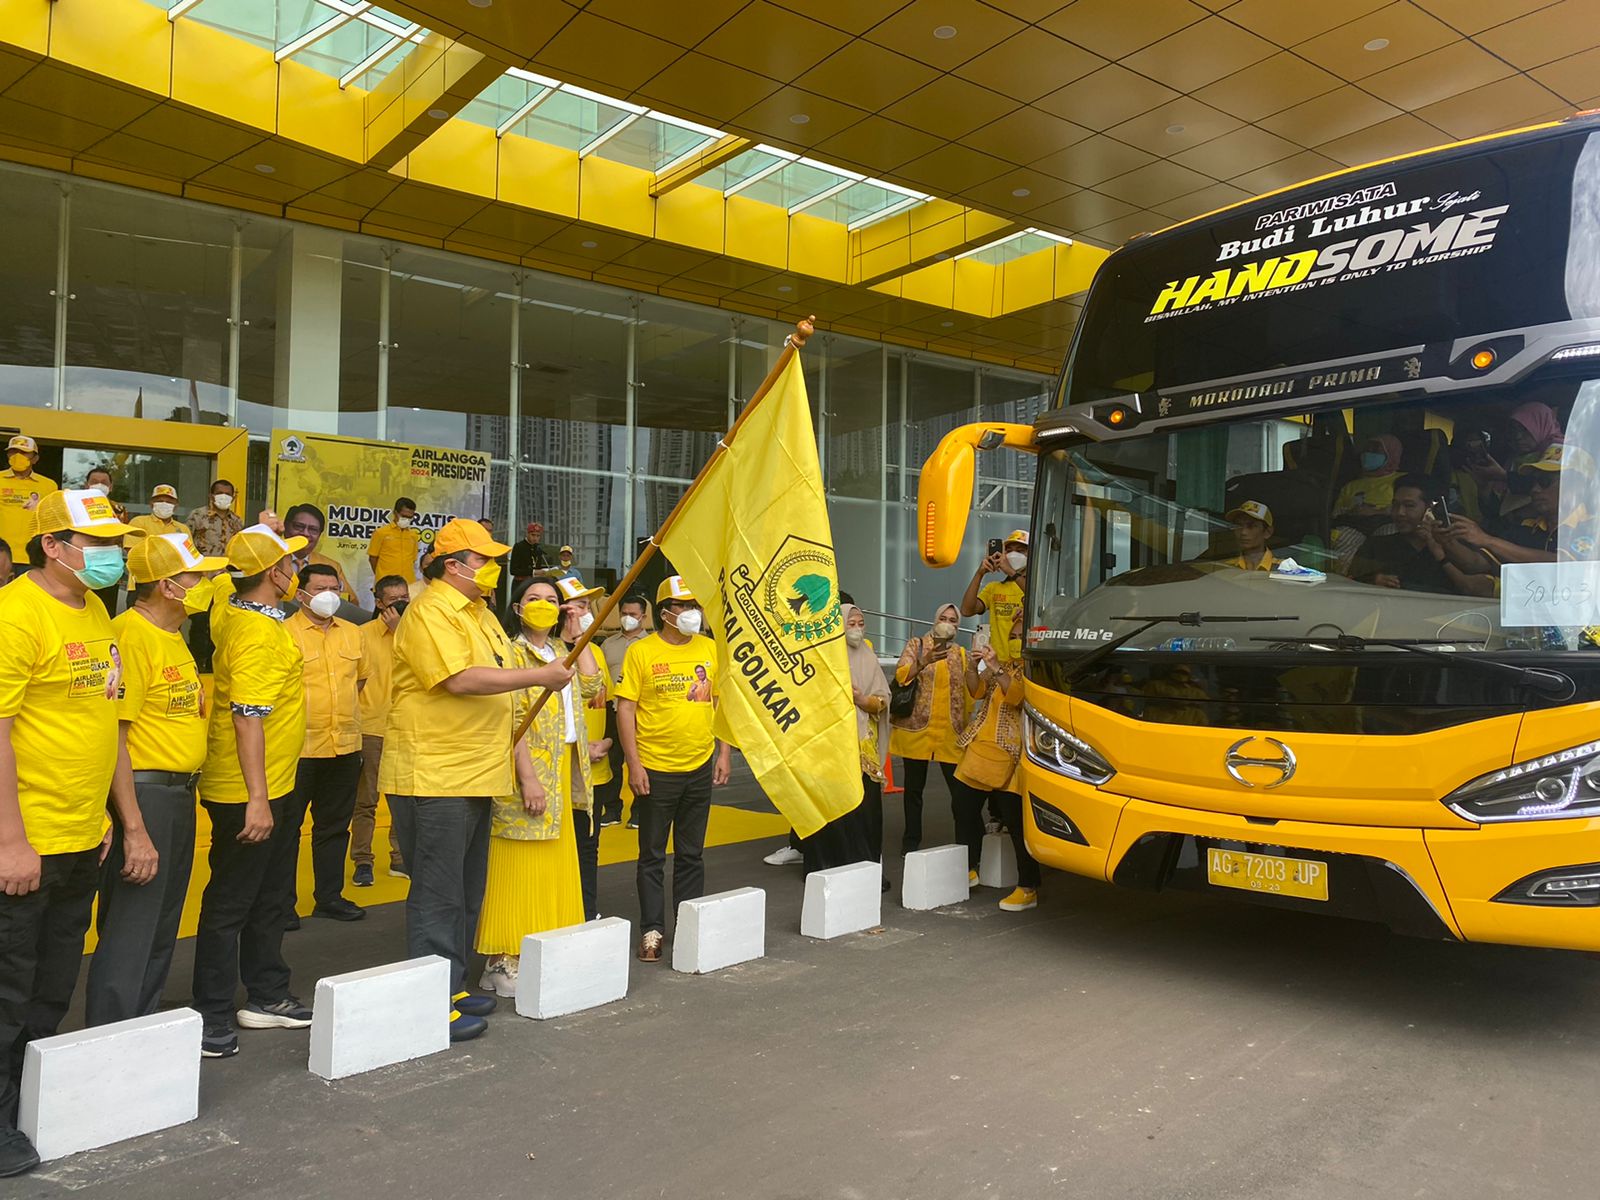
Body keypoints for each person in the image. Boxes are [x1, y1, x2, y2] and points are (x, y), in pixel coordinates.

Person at [0, 488, 147, 1179]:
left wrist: (117, 821)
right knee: (6, 990)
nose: (112, 555)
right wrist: (9, 840)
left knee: (52, 986)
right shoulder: (14, 614)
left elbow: (106, 726)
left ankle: (28, 1107)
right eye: (98, 544)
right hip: (23, 842)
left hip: (81, 838)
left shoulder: (93, 609)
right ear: (54, 546)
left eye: (115, 543)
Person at [380, 518, 571, 1042]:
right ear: (453, 564)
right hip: (434, 772)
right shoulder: (430, 612)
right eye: (483, 560)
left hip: (478, 771)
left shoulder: (482, 614)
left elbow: (502, 686)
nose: (492, 569)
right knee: (437, 893)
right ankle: (430, 998)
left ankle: (454, 984)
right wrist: (540, 676)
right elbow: (460, 679)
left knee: (466, 890)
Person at [85, 531, 225, 1027]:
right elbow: (114, 739)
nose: (207, 583)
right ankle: (112, 1035)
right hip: (143, 797)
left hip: (176, 794)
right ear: (169, 586)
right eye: (198, 576)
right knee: (133, 927)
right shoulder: (131, 636)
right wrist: (135, 828)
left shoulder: (173, 636)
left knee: (162, 923)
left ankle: (142, 1028)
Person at [192, 519, 315, 1060]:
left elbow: (222, 577)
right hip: (249, 790)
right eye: (289, 563)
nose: (296, 570)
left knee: (268, 896)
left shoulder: (234, 604)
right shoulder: (258, 632)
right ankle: (212, 1012)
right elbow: (248, 717)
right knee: (233, 902)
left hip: (272, 782)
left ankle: (266, 993)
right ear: (273, 572)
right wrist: (259, 800)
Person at [475, 579, 595, 997]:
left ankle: (546, 945)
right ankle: (502, 958)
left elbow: (595, 690)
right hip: (526, 772)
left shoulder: (563, 653)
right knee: (518, 862)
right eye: (533, 599)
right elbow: (510, 718)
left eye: (551, 600)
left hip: (561, 772)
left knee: (554, 864)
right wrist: (527, 777)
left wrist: (580, 635)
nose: (542, 605)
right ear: (517, 606)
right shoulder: (509, 652)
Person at [616, 575, 732, 963]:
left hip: (699, 765)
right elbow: (626, 708)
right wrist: (634, 764)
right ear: (664, 611)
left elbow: (720, 703)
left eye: (695, 605)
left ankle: (688, 925)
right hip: (655, 768)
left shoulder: (711, 648)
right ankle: (652, 930)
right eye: (683, 606)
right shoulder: (642, 652)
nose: (692, 613)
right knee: (651, 855)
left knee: (691, 853)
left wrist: (724, 753)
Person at [283, 563, 369, 924]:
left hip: (344, 746)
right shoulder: (284, 632)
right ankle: (281, 905)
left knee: (334, 827)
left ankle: (330, 897)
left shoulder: (353, 633)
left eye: (334, 588)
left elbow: (359, 682)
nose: (328, 595)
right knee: (286, 831)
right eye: (319, 589)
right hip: (297, 749)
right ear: (300, 594)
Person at [952, 608, 1039, 911]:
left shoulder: (1037, 669)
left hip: (1013, 754)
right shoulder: (1001, 663)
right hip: (979, 748)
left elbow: (1018, 697)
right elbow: (975, 691)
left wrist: (998, 669)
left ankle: (1028, 887)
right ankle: (969, 867)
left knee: (1016, 823)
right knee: (962, 806)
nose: (1014, 638)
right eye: (1013, 633)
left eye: (1019, 635)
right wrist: (972, 666)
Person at [802, 604, 889, 876]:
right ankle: (828, 869)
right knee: (833, 809)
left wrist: (862, 699)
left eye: (860, 623)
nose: (857, 629)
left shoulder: (869, 656)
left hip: (863, 749)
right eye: (851, 623)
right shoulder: (824, 658)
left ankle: (865, 870)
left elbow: (883, 700)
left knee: (866, 812)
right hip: (830, 749)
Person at [889, 603, 970, 854]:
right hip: (917, 731)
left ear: (957, 626)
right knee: (914, 790)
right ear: (935, 620)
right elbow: (901, 675)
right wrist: (922, 662)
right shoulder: (917, 644)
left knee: (959, 792)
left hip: (950, 733)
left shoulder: (961, 653)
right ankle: (910, 841)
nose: (948, 623)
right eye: (943, 618)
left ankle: (965, 843)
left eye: (953, 620)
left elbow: (969, 692)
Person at [352, 575, 409, 886]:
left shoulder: (415, 633)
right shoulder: (362, 635)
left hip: (406, 725)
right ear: (379, 603)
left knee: (403, 800)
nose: (400, 605)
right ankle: (362, 859)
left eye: (405, 599)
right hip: (372, 725)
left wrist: (401, 629)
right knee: (367, 800)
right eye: (394, 601)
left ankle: (400, 857)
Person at [1352, 476, 1494, 596]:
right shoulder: (1377, 546)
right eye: (1395, 505)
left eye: (1409, 506)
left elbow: (1474, 588)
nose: (1400, 513)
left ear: (1430, 509)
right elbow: (1350, 585)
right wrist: (1372, 582)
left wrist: (1439, 550)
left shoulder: (1455, 549)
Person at [602, 593, 650, 828]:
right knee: (612, 761)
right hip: (612, 710)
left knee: (641, 761)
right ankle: (612, 810)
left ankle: (640, 812)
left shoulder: (650, 645)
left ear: (643, 616)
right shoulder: (608, 644)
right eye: (624, 614)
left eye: (633, 614)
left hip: (641, 712)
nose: (628, 618)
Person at [185, 480, 242, 672]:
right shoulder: (197, 516)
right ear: (211, 495)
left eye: (228, 493)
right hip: (202, 579)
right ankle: (196, 666)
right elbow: (187, 545)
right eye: (219, 493)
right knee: (200, 624)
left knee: (221, 625)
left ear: (233, 497)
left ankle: (213, 667)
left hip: (227, 582)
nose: (223, 496)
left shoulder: (237, 521)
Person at [960, 530, 1028, 664]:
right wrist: (980, 573)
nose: (1013, 554)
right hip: (998, 664)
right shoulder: (993, 588)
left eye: (1020, 551)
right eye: (1008, 550)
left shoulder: (1037, 587)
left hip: (1027, 665)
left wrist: (1010, 571)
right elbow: (966, 610)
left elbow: (1036, 599)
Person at [0, 435, 57, 579]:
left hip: (32, 557)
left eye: (24, 452)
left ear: (35, 458)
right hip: (1, 556)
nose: (17, 456)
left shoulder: (49, 486)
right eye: (13, 452)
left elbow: (52, 522)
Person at [284, 503, 355, 603]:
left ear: (319, 535)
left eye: (313, 530)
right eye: (299, 526)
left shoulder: (332, 566)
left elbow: (351, 601)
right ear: (285, 526)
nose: (305, 533)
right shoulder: (270, 560)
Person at [367, 497, 421, 588]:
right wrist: (381, 576)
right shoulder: (381, 532)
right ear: (395, 513)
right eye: (403, 516)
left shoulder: (414, 535)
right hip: (385, 584)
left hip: (408, 584)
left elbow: (412, 560)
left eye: (410, 517)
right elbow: (373, 558)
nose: (407, 519)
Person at [1223, 501, 1275, 571]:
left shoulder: (1285, 570)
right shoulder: (1225, 568)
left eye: (1251, 526)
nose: (1243, 532)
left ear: (1267, 532)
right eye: (1239, 526)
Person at [508, 521, 558, 590]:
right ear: (527, 534)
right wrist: (533, 572)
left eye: (538, 536)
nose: (535, 538)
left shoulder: (538, 548)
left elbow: (537, 566)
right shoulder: (519, 546)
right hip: (520, 584)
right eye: (533, 535)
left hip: (534, 583)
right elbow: (513, 570)